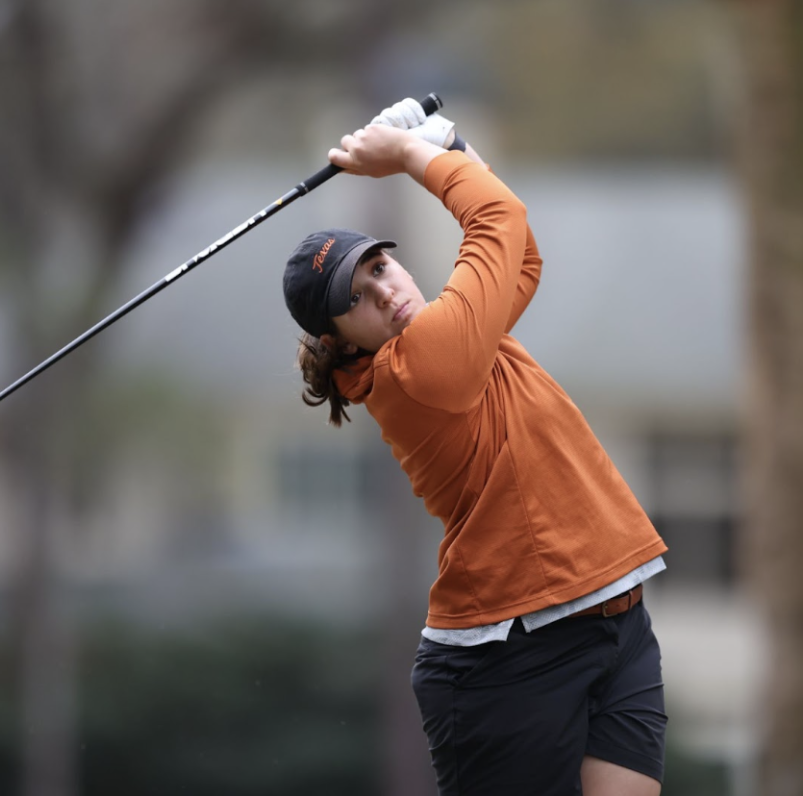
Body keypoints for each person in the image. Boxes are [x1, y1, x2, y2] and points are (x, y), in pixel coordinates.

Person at [281, 98, 669, 796]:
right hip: (509, 656)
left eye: (379, 267)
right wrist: (409, 158)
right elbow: (499, 221)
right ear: (340, 340)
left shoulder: (450, 333)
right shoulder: (422, 366)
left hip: (615, 621)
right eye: (358, 296)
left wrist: (449, 144)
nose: (386, 290)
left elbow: (520, 257)